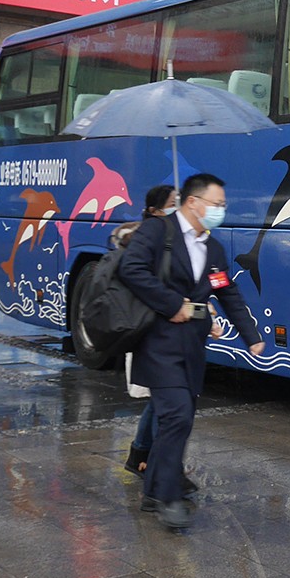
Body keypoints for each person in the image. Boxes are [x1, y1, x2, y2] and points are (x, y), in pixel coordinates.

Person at [119, 173, 264, 529]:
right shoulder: (158, 232)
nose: (220, 211)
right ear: (193, 202)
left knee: (179, 418)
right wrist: (172, 304)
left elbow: (226, 292)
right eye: (217, 204)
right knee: (177, 417)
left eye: (223, 205)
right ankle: (168, 497)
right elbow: (131, 269)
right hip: (157, 343)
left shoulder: (212, 248)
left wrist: (251, 335)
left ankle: (153, 491)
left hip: (192, 347)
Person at [118, 185, 179, 480]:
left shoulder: (174, 237)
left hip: (168, 331)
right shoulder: (150, 239)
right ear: (155, 211)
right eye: (173, 203)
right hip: (154, 330)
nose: (179, 207)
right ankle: (160, 468)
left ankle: (140, 455)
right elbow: (142, 279)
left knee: (161, 398)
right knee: (167, 398)